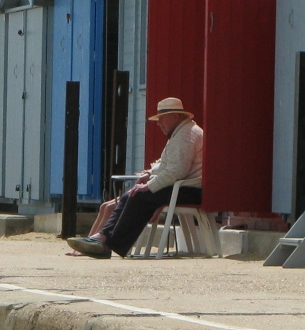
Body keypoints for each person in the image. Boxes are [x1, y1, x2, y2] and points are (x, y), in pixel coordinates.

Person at [67, 97, 203, 259]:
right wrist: (149, 174)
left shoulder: (185, 135)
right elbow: (167, 164)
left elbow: (177, 171)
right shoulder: (182, 132)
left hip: (189, 189)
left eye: (162, 118)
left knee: (140, 195)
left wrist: (149, 186)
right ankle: (104, 237)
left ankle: (108, 243)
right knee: (130, 195)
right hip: (181, 187)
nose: (159, 123)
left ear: (175, 116)